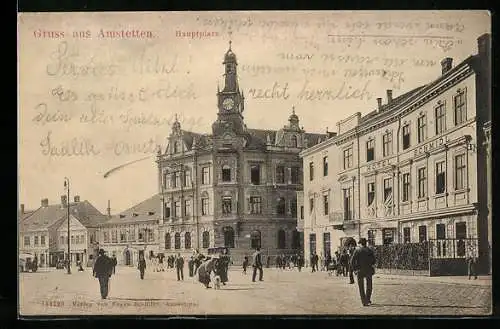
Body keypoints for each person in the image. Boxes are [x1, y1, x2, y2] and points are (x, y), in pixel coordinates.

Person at [350, 238, 376, 306]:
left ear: (360, 243)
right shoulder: (370, 250)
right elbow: (374, 261)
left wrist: (355, 270)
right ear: (365, 243)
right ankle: (367, 299)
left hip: (359, 270)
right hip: (368, 270)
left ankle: (364, 301)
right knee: (369, 286)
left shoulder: (357, 250)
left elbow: (352, 261)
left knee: (361, 287)